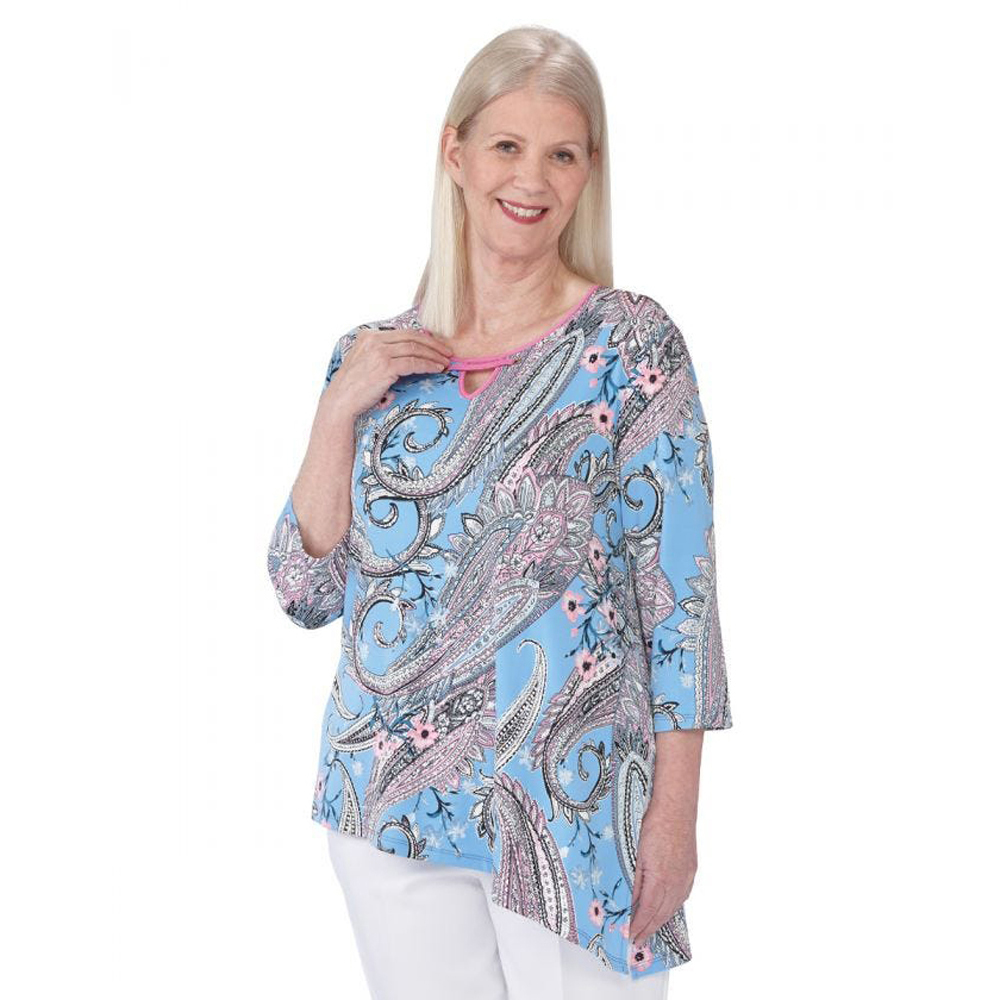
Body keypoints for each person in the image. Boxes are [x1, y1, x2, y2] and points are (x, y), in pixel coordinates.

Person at [266, 24, 733, 1000]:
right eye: (508, 146)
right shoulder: (373, 356)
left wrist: (675, 814)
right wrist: (336, 410)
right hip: (387, 800)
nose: (531, 179)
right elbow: (304, 589)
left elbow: (680, 603)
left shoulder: (630, 345)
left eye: (561, 153)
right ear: (457, 153)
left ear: (589, 170)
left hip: (574, 800)